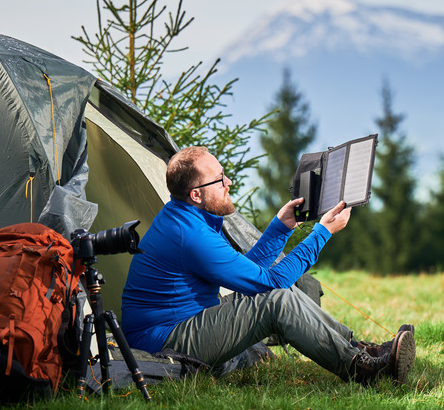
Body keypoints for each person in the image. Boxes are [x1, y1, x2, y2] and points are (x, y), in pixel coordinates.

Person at [121, 146, 415, 385]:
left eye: (225, 175)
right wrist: (322, 233)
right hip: (166, 341)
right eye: (219, 180)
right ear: (196, 195)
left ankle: (362, 350)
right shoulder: (190, 235)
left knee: (275, 292)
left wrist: (280, 227)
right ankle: (362, 370)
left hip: (183, 325)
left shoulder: (188, 218)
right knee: (276, 299)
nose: (228, 184)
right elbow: (271, 284)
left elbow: (249, 276)